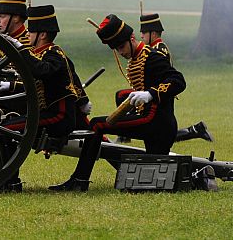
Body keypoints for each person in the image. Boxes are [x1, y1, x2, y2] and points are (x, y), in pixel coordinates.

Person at [50, 14, 186, 192]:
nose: (121, 52)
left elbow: (178, 81)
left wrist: (151, 94)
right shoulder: (137, 58)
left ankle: (80, 180)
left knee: (97, 124)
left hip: (156, 122)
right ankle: (80, 179)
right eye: (117, 49)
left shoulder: (152, 57)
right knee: (154, 175)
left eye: (122, 47)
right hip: (149, 119)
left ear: (132, 38)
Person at [0, 5, 82, 191]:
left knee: (6, 130)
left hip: (58, 116)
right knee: (5, 125)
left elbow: (42, 71)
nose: (27, 35)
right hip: (47, 114)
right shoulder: (42, 54)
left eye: (31, 32)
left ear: (42, 34)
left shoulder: (54, 54)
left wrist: (20, 49)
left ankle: (10, 181)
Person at [140, 12, 212, 142]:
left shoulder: (158, 50)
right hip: (159, 93)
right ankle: (195, 130)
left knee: (162, 133)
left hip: (160, 94)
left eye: (144, 33)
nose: (141, 36)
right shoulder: (154, 48)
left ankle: (194, 130)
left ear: (154, 33)